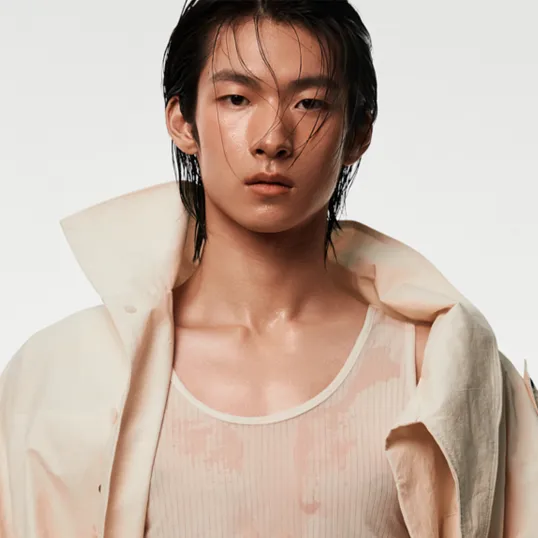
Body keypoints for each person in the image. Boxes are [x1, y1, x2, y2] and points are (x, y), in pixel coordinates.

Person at [1, 1, 537, 537]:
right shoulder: (60, 377)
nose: (272, 140)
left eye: (310, 103)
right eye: (237, 98)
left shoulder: (442, 371)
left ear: (357, 134)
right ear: (182, 121)